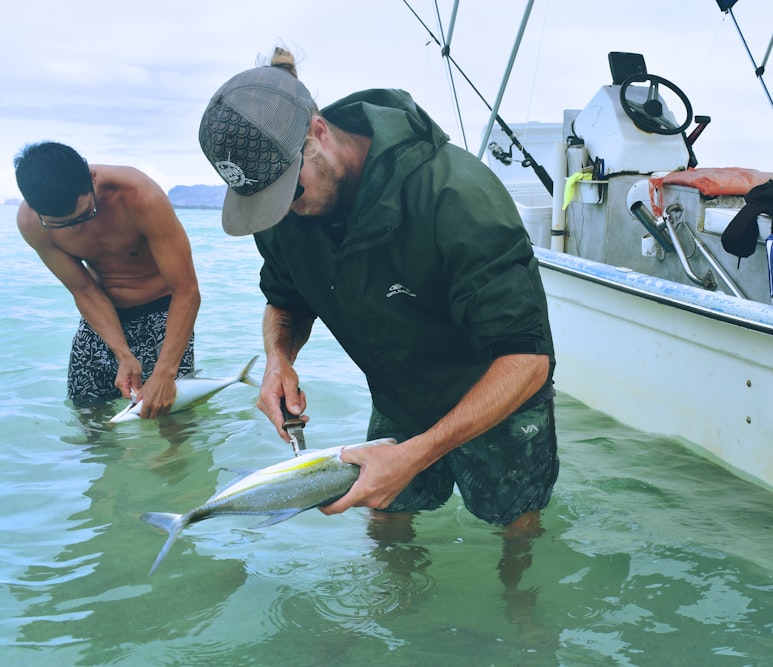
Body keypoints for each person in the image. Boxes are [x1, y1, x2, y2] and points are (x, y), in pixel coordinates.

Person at [198, 48, 558, 535]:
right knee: (383, 513)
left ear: (318, 134)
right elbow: (286, 300)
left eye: (290, 193)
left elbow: (527, 358)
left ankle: (520, 609)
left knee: (516, 527)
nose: (284, 213)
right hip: (399, 391)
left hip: (496, 391)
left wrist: (418, 454)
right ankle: (397, 610)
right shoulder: (282, 211)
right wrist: (278, 360)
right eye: (267, 204)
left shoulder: (454, 194)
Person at [14, 142, 200, 416]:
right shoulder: (32, 222)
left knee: (166, 416)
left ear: (91, 178)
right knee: (88, 415)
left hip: (163, 311)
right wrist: (122, 354)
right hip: (101, 316)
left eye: (83, 214)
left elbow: (186, 291)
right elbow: (83, 289)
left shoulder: (139, 196)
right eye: (62, 224)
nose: (77, 227)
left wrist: (165, 373)